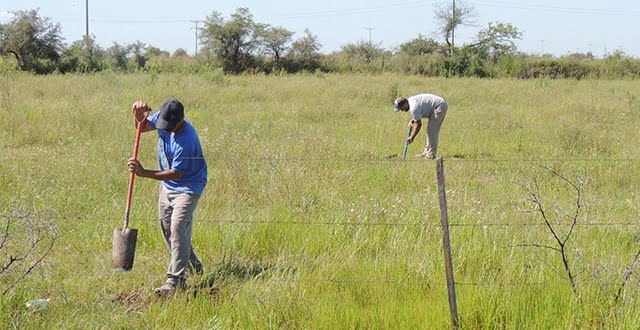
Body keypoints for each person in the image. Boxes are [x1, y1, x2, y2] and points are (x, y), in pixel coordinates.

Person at [127, 98, 208, 294]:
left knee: (177, 226)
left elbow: (177, 173)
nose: (167, 129)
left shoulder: (187, 139)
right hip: (167, 186)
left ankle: (175, 280)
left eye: (172, 126)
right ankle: (192, 265)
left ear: (181, 119)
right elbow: (143, 126)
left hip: (188, 186)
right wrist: (137, 114)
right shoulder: (164, 118)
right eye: (165, 125)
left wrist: (144, 173)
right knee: (167, 229)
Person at [393, 93, 449, 159]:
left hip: (439, 106)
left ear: (405, 104)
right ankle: (427, 151)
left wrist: (412, 137)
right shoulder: (410, 101)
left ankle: (431, 154)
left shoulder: (413, 108)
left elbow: (419, 125)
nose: (402, 110)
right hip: (436, 105)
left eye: (401, 108)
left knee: (432, 130)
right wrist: (413, 120)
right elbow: (419, 111)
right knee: (429, 131)